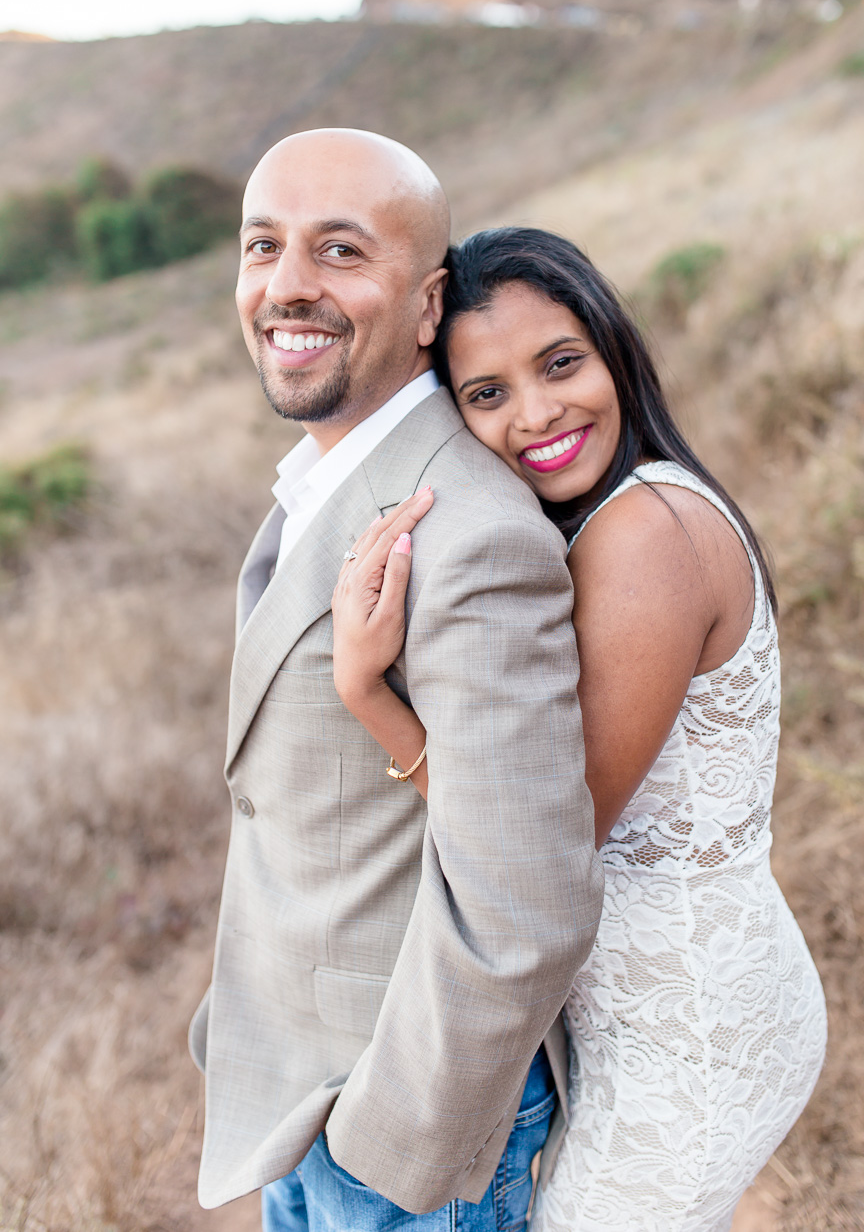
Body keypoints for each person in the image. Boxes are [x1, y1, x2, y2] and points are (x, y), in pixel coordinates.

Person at [332, 226, 828, 1231]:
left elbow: (541, 844)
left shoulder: (647, 531)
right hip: (652, 1014)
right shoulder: (613, 520)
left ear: (612, 347)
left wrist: (369, 695)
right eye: (487, 394)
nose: (537, 413)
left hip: (693, 1029)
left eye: (559, 363)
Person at [188, 131, 605, 1229]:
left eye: (338, 251)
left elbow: (526, 905)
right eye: (262, 246)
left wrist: (389, 1140)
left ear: (426, 307)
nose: (286, 285)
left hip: (398, 1142)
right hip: (301, 1098)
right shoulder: (330, 479)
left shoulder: (466, 534)